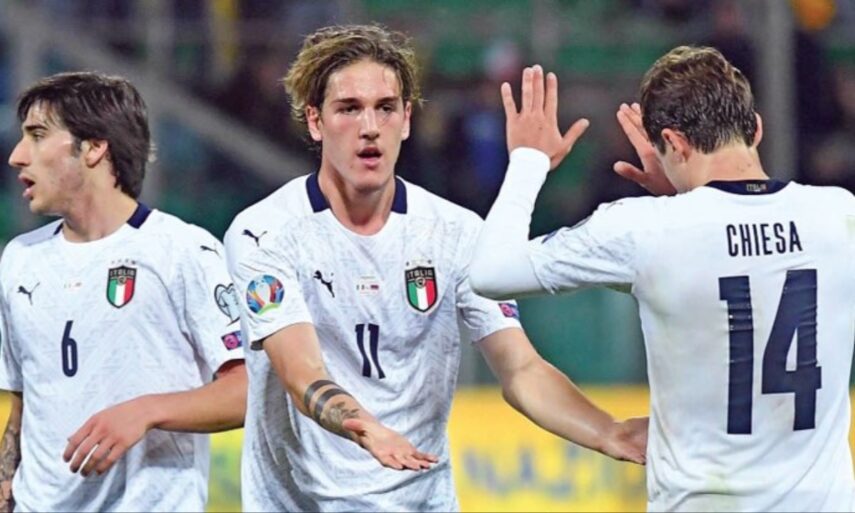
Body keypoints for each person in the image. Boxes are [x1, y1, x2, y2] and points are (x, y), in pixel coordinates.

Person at [224, 23, 647, 512]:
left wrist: (608, 431)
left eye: (385, 108)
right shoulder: (263, 233)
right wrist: (367, 428)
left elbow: (521, 368)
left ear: (406, 119)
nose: (370, 127)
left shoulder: (455, 233)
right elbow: (301, 372)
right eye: (349, 108)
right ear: (315, 122)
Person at [469, 48, 855, 512]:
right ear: (755, 128)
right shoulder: (839, 214)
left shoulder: (647, 229)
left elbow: (491, 272)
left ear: (672, 142)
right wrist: (689, 194)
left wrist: (528, 161)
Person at [0, 71, 247, 512]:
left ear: (94, 147)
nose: (17, 156)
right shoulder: (20, 258)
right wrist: (5, 480)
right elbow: (24, 394)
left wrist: (146, 411)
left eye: (37, 136)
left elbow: (247, 390)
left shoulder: (182, 250)